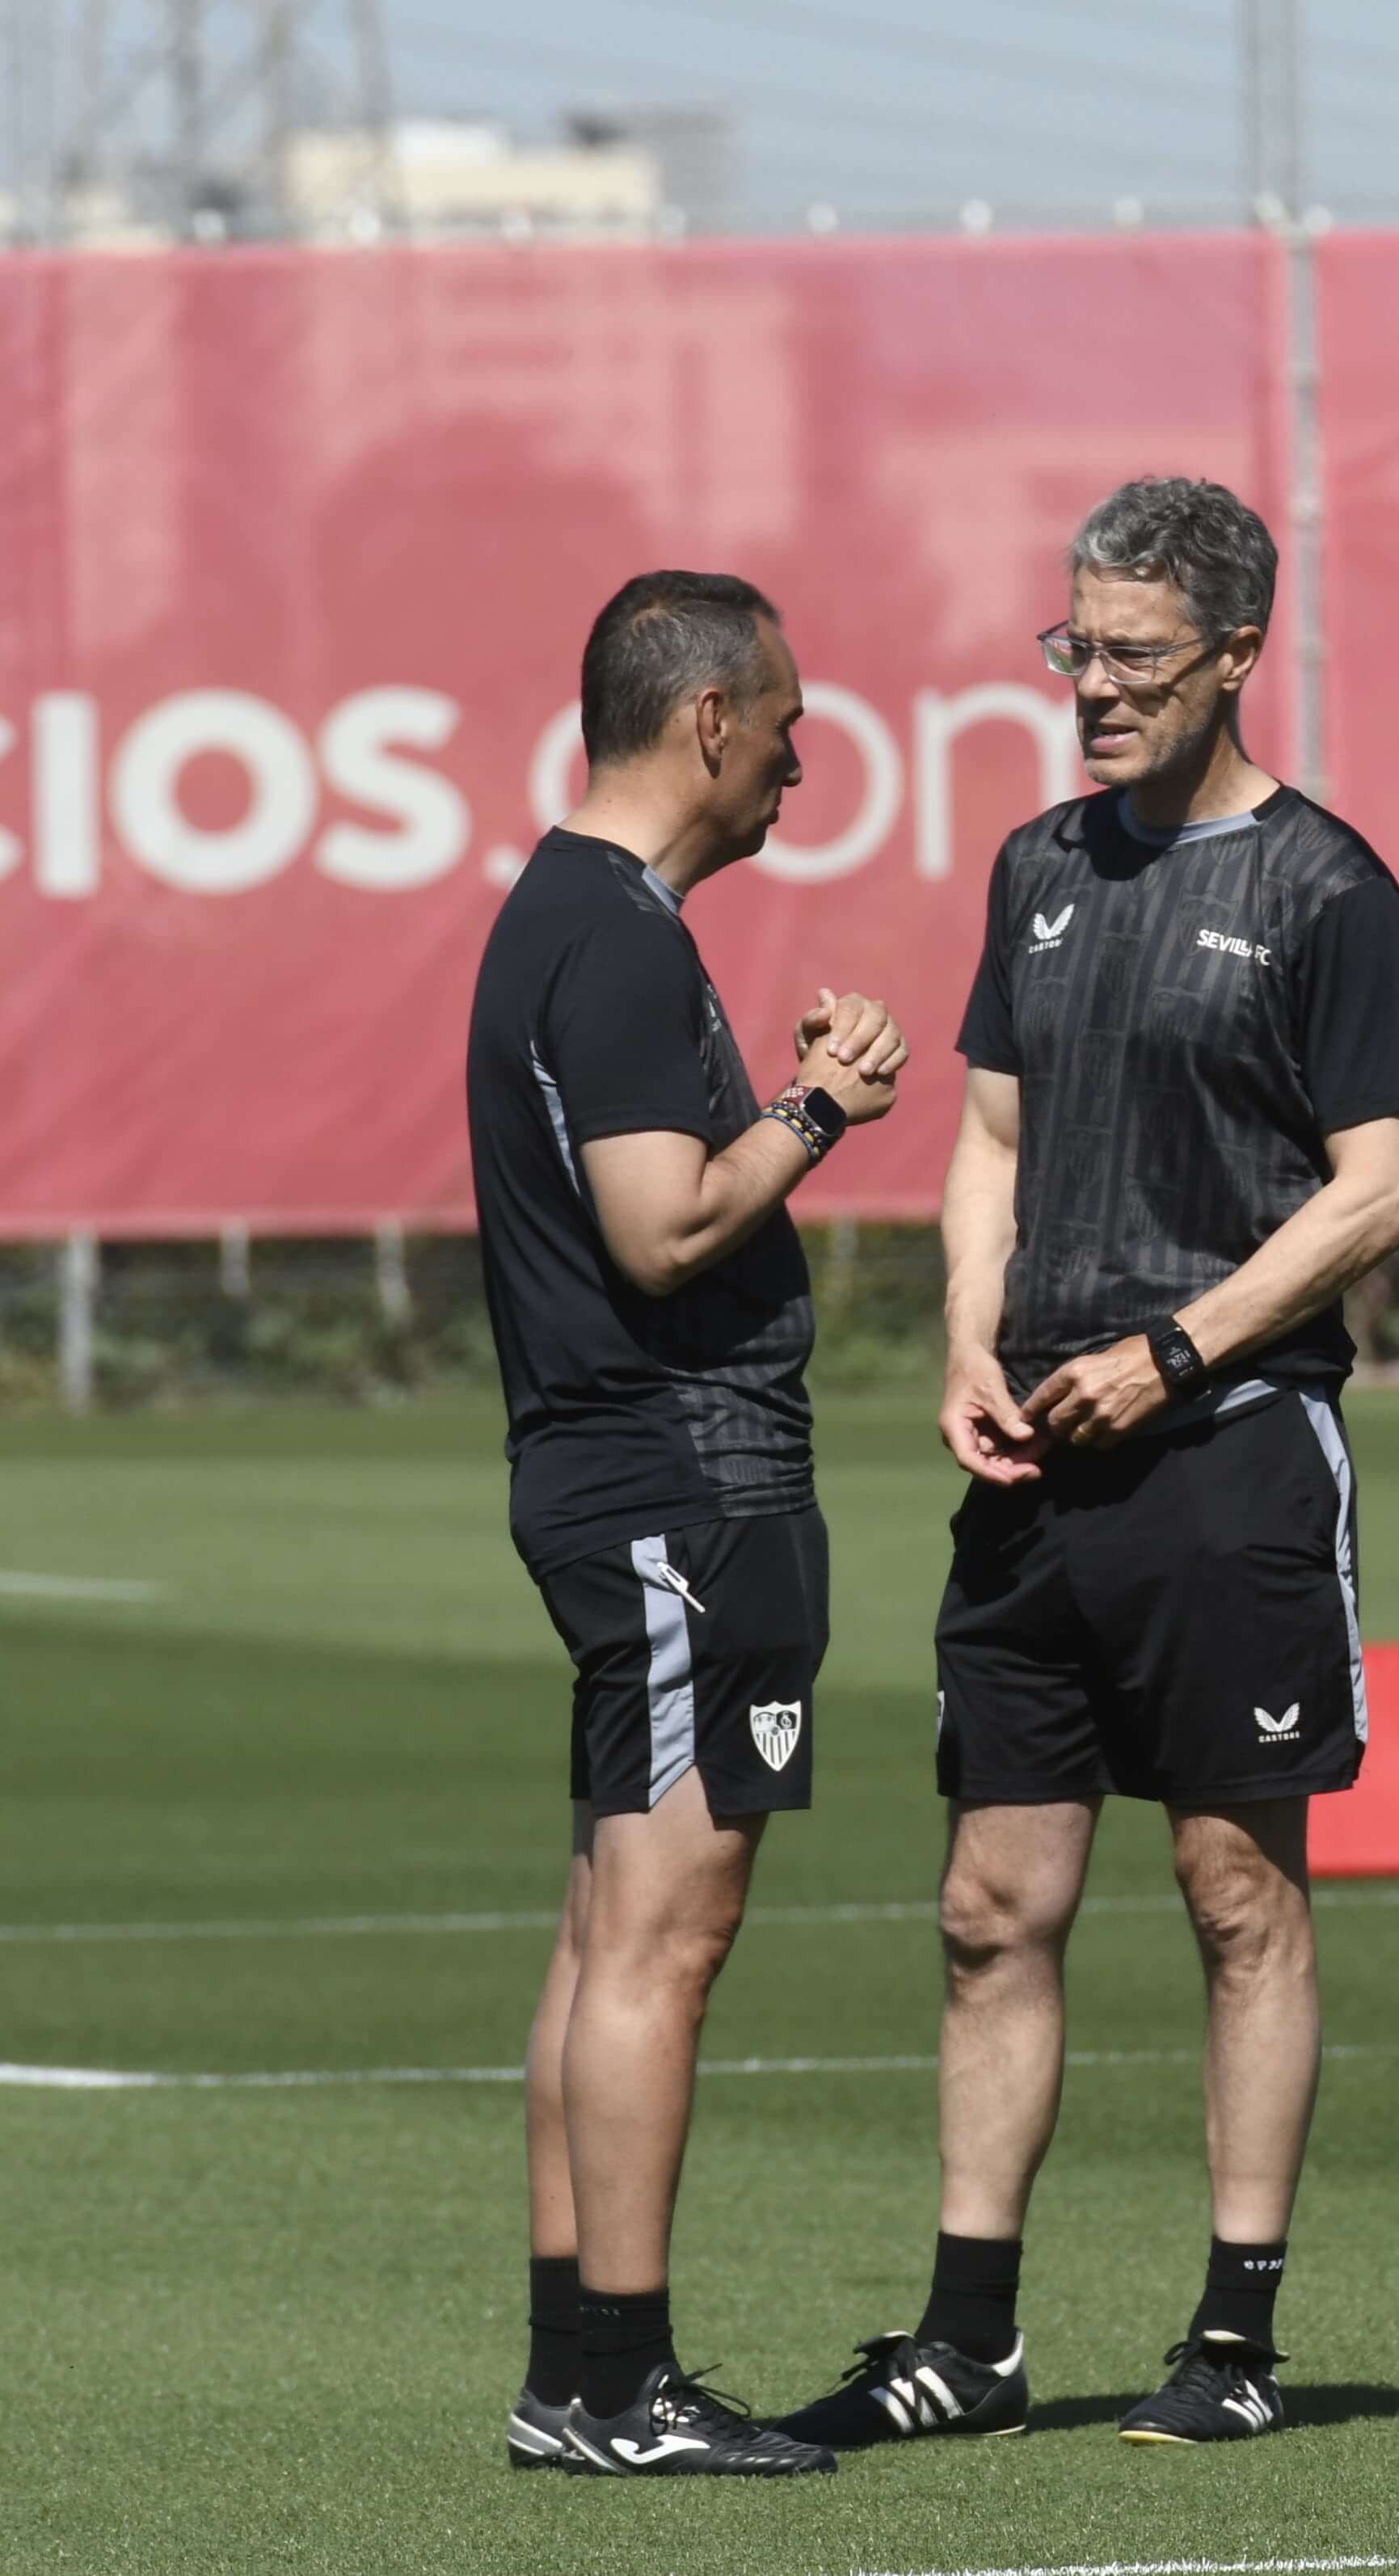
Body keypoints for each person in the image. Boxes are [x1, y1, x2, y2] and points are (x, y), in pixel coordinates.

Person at [779, 477, 1399, 2455]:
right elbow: (990, 1132)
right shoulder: (1037, 865)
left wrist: (1178, 1350)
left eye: (1134, 658)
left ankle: (1234, 2344)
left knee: (1239, 1895)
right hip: (1031, 1469)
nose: (1092, 691)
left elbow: (1387, 1184)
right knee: (993, 1903)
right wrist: (971, 1333)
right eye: (1074, 651)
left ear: (1238, 652)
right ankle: (967, 2339)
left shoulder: (1329, 886)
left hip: (1229, 1451)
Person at [467, 570, 908, 2478]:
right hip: (678, 1489)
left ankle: (577, 2370)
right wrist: (819, 1107)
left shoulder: (569, 915)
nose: (807, 763)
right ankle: (621, 2387)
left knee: (604, 1930)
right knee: (663, 1933)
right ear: (709, 717)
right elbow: (658, 1229)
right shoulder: (616, 935)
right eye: (792, 724)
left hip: (633, 1481)